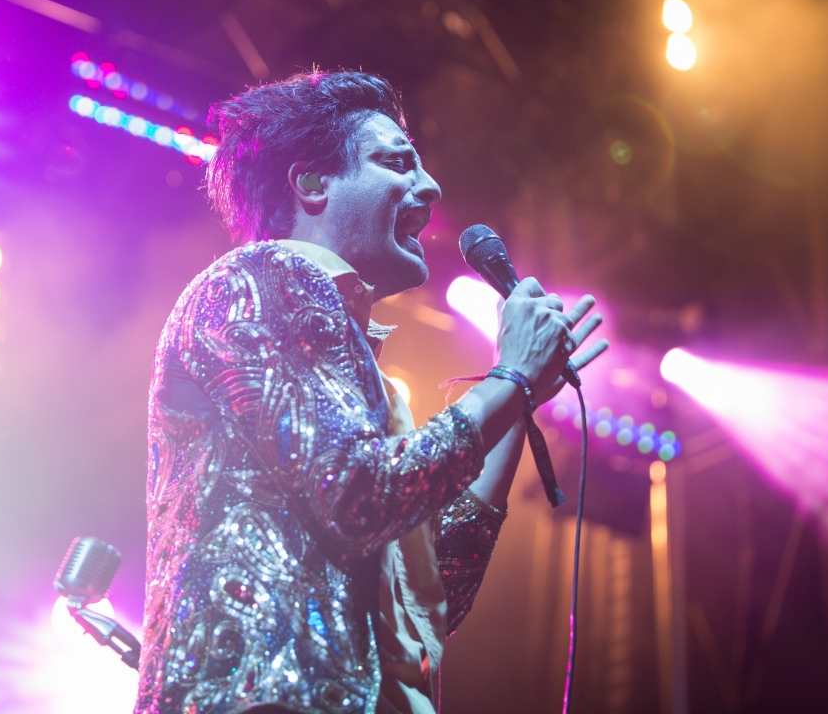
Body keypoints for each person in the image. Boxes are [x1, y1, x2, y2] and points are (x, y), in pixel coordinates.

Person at [136, 70, 603, 714]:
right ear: (312, 183)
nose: (431, 187)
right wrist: (511, 378)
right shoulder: (259, 276)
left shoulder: (361, 371)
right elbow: (359, 493)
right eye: (397, 162)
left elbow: (436, 590)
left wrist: (516, 399)